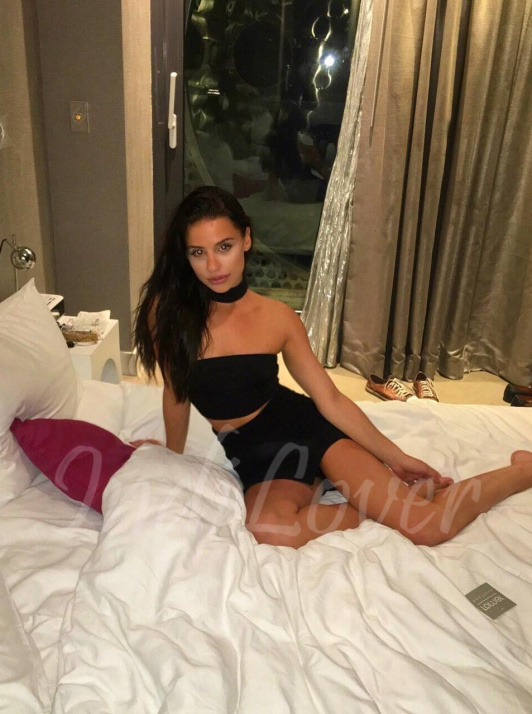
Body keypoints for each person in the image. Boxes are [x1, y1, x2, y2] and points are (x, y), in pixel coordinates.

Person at [134, 186, 532, 549]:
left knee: (426, 527)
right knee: (269, 529)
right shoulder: (166, 315)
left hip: (306, 428)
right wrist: (173, 455)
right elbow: (176, 391)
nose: (213, 265)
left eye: (224, 246)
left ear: (247, 240)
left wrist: (396, 458)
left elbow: (330, 399)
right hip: (255, 457)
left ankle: (522, 470)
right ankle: (373, 507)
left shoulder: (277, 317)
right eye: (197, 252)